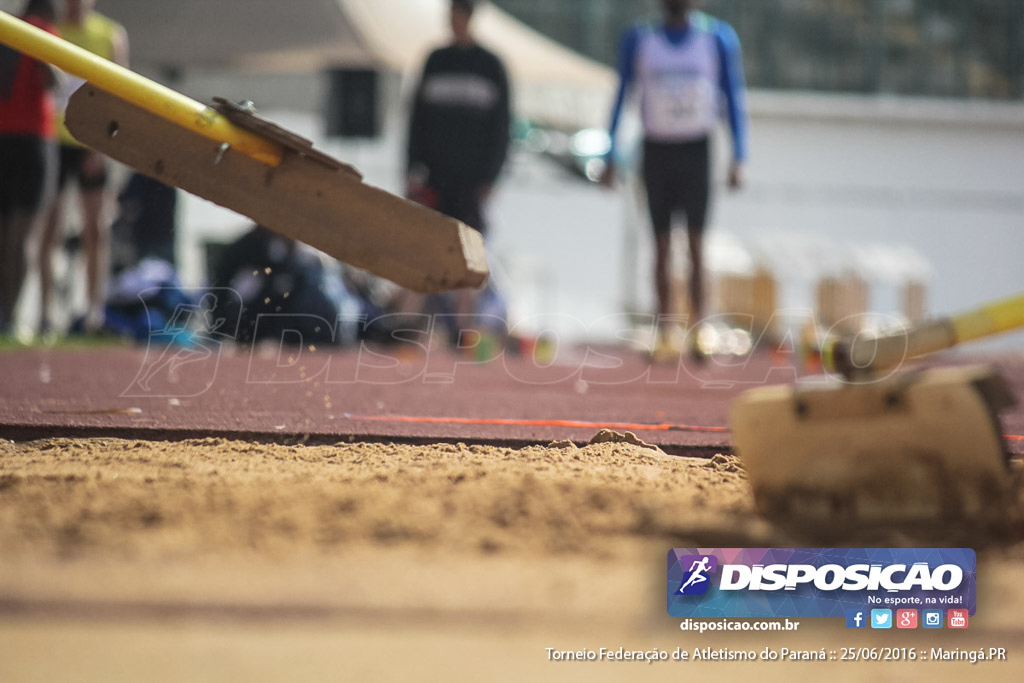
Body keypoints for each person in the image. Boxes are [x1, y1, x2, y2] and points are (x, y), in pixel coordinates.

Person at [603, 0, 748, 361]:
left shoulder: (716, 38)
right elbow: (622, 94)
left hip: (696, 150)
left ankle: (700, 328)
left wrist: (739, 156)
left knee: (697, 244)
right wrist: (608, 154)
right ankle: (666, 330)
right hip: (657, 151)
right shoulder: (640, 38)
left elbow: (733, 97)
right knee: (661, 245)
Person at [405, 0, 511, 327]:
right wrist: (412, 168)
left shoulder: (491, 66)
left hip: (471, 180)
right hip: (435, 178)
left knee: (468, 254)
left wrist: (491, 176)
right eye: (451, 17)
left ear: (470, 19)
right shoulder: (435, 61)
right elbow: (416, 121)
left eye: (460, 17)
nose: (455, 23)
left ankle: (464, 326)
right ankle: (407, 323)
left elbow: (502, 128)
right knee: (424, 250)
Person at [39, 0, 129, 334]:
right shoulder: (51, 29)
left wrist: (101, 144)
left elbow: (118, 91)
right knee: (51, 229)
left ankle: (95, 312)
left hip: (89, 143)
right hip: (53, 140)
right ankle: (47, 312)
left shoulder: (110, 34)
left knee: (96, 228)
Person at [0, 0, 59, 336]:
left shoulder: (6, 30)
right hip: (31, 139)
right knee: (20, 237)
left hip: (4, 137)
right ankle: (10, 317)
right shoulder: (42, 31)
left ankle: (5, 316)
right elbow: (51, 83)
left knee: (5, 235)